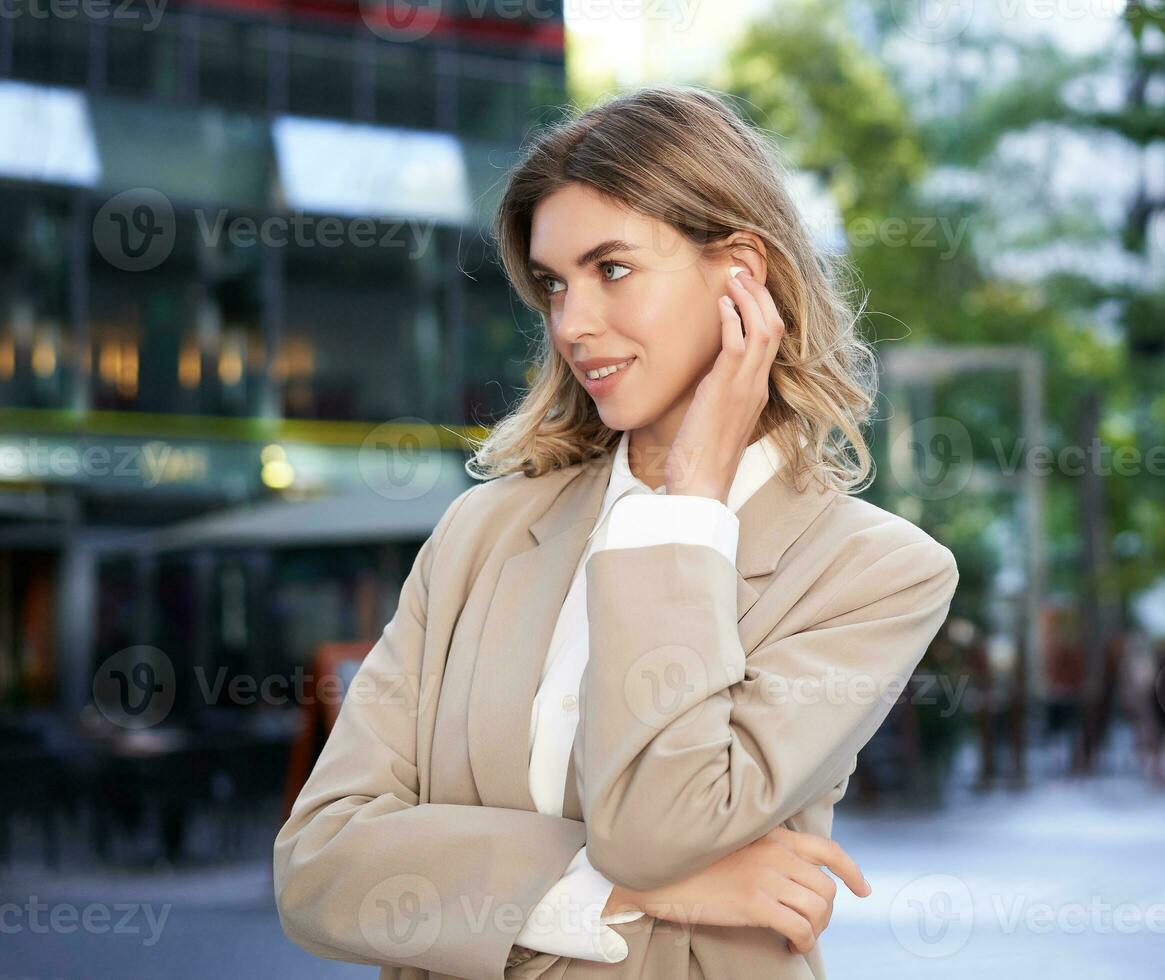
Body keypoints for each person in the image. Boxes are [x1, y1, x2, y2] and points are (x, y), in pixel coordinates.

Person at [272, 85, 960, 980]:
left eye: (613, 269)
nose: (572, 324)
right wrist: (634, 896)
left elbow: (655, 827)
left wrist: (687, 510)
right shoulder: (481, 534)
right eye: (554, 284)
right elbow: (318, 864)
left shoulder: (876, 572)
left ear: (741, 274)